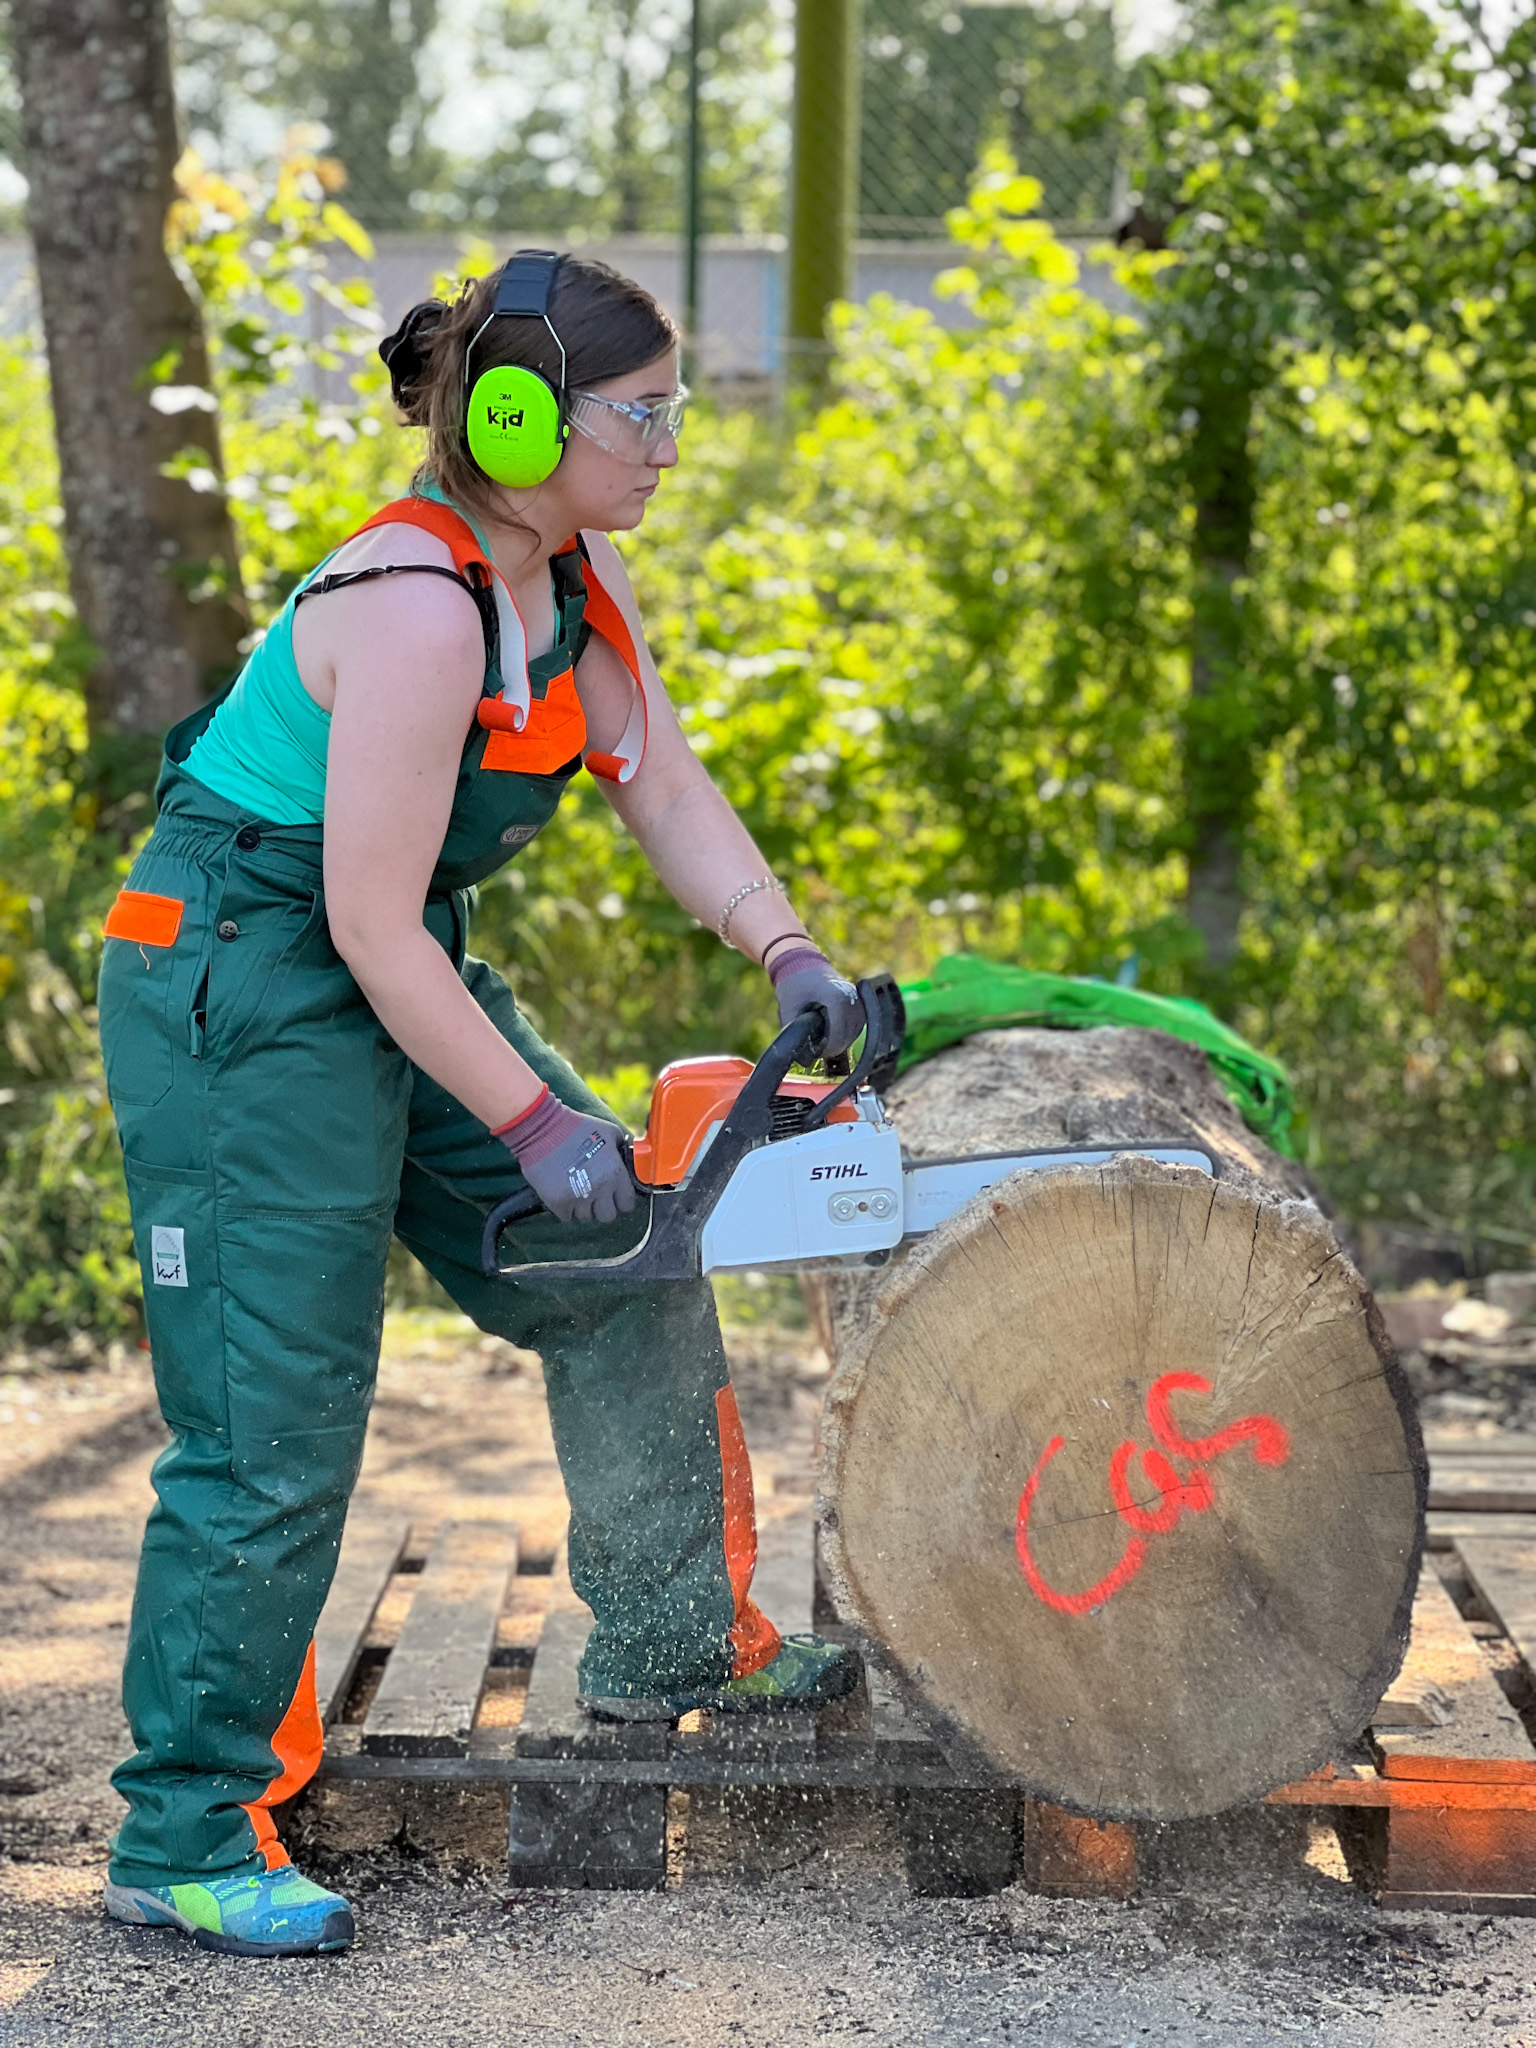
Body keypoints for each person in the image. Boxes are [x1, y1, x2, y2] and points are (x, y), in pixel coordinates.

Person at [95, 250, 864, 1959]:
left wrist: (785, 946)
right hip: (241, 973)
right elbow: (359, 918)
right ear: (516, 422)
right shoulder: (416, 603)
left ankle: (674, 1645)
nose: (670, 442)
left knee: (626, 1264)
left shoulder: (573, 587)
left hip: (379, 961)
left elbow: (660, 782)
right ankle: (186, 1830)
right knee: (272, 1413)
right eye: (642, 414)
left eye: (676, 408)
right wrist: (532, 1123)